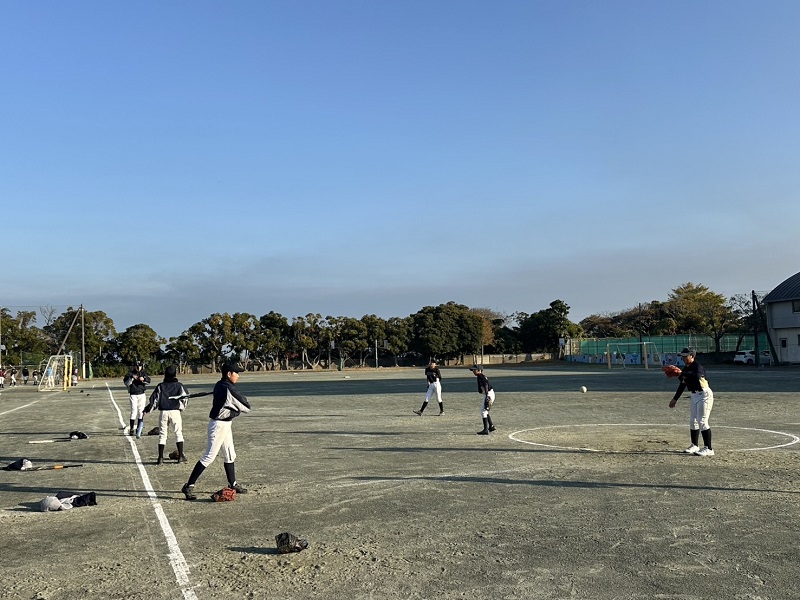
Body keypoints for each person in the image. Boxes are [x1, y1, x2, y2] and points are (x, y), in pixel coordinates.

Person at [182, 363, 251, 500]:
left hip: (225, 424)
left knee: (230, 454)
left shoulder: (221, 384)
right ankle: (189, 486)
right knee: (209, 456)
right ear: (229, 374)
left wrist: (233, 410)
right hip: (218, 425)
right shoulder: (228, 388)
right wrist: (236, 411)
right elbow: (246, 407)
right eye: (236, 373)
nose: (238, 376)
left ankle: (232, 484)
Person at [669, 348, 715, 457]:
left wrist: (681, 373)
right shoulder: (686, 369)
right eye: (682, 356)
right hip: (694, 395)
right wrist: (675, 398)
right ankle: (695, 445)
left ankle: (709, 448)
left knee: (702, 421)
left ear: (692, 356)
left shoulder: (697, 367)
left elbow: (697, 377)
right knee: (693, 421)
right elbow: (683, 384)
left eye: (685, 356)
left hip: (704, 395)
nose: (683, 358)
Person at [144, 365, 191, 464]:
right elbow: (185, 398)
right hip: (175, 412)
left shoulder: (160, 386)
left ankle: (160, 458)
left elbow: (154, 400)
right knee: (178, 433)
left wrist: (147, 409)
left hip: (164, 412)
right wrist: (181, 408)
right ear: (175, 374)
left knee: (162, 434)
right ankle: (180, 456)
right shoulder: (179, 386)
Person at [123, 362, 151, 436]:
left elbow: (148, 381)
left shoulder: (143, 373)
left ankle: (139, 429)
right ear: (134, 366)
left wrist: (144, 379)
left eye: (140, 366)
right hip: (133, 395)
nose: (139, 368)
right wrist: (132, 378)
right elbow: (126, 383)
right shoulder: (130, 374)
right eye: (137, 366)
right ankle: (132, 429)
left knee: (141, 412)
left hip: (141, 394)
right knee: (134, 411)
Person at [469, 365, 496, 435]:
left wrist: (487, 395)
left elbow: (486, 384)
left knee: (483, 411)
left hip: (488, 394)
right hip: (489, 393)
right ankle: (491, 426)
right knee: (485, 410)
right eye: (473, 370)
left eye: (474, 370)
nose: (473, 371)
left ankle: (485, 430)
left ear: (479, 370)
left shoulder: (481, 376)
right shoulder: (479, 376)